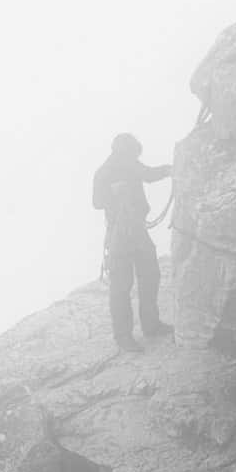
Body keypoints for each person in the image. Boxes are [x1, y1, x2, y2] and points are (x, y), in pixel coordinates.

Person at [92, 132, 171, 350]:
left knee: (151, 275)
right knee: (121, 286)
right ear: (123, 152)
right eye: (133, 154)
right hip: (119, 234)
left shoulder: (130, 164)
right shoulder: (105, 172)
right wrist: (112, 193)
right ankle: (124, 337)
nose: (135, 158)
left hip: (137, 229)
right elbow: (97, 202)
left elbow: (148, 174)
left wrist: (169, 170)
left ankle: (151, 325)